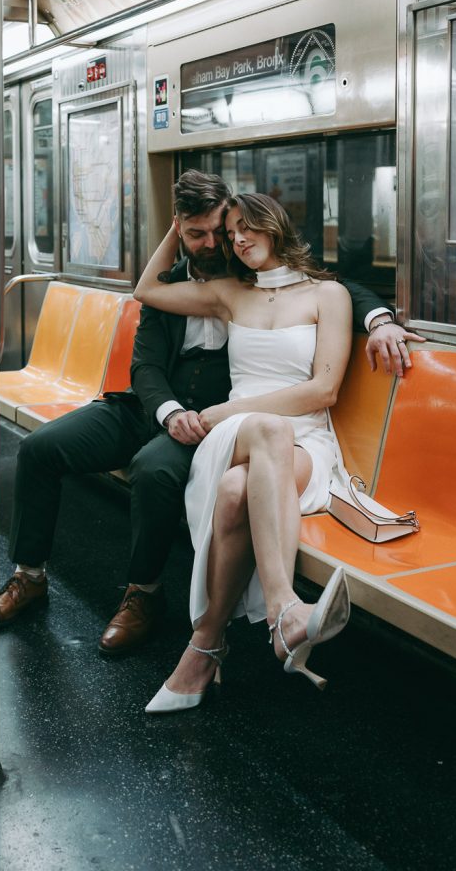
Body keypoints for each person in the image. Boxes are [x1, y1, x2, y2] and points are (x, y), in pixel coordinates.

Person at [0, 170, 420, 651]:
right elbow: (144, 362)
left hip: (219, 420)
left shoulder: (248, 277)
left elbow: (334, 286)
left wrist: (380, 319)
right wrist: (165, 412)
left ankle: (143, 594)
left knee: (153, 471)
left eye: (219, 231)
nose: (213, 243)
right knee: (40, 450)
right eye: (196, 233)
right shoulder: (175, 284)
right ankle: (29, 576)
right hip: (151, 409)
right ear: (179, 230)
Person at [134, 194, 385, 713]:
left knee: (234, 492)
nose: (238, 240)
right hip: (242, 434)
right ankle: (285, 611)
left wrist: (229, 410)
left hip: (306, 441)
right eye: (230, 234)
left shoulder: (328, 295)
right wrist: (176, 225)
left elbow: (323, 392)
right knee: (266, 432)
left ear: (275, 227)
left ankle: (203, 649)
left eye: (248, 228)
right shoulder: (229, 293)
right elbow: (146, 290)